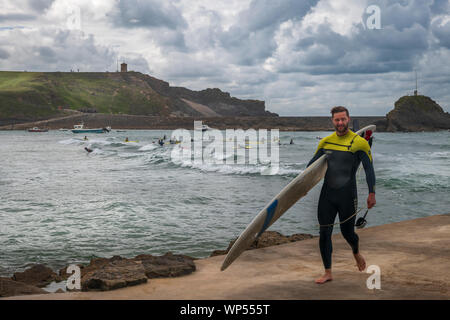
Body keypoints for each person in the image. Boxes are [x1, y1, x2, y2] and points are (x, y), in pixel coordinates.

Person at [307, 106, 376, 284]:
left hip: (348, 196)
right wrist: (300, 187)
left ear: (348, 119)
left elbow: (369, 170)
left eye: (343, 119)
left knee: (348, 233)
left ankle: (356, 252)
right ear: (332, 121)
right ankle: (328, 272)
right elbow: (311, 167)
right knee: (324, 233)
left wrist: (371, 193)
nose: (340, 123)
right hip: (327, 195)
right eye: (337, 120)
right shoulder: (325, 142)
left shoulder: (359, 142)